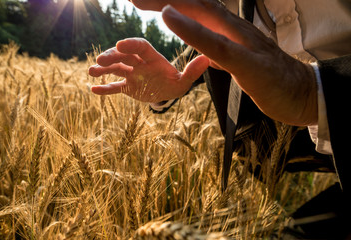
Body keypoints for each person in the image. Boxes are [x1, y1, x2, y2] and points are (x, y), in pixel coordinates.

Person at [88, 0, 351, 238]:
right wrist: (170, 83)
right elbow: (208, 47)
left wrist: (311, 91)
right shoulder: (223, 5)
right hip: (291, 153)